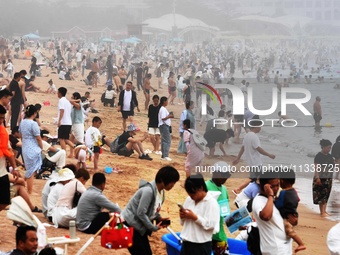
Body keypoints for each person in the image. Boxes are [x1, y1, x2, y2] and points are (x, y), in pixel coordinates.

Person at [122, 166, 180, 255]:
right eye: (171, 182)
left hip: (140, 227)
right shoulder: (148, 191)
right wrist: (153, 227)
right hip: (130, 226)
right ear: (162, 179)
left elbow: (153, 210)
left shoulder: (161, 192)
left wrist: (159, 218)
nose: (172, 185)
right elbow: (141, 213)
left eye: (174, 183)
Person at [252, 170, 294, 255]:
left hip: (283, 249)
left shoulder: (271, 200)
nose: (276, 189)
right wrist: (270, 195)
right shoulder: (259, 201)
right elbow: (266, 216)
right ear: (264, 186)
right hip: (275, 250)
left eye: (277, 185)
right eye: (272, 186)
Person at [179, 173, 220, 255]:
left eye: (193, 193)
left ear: (201, 188)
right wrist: (182, 216)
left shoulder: (211, 203)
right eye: (189, 193)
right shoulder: (189, 199)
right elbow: (182, 223)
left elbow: (211, 225)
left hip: (201, 245)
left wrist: (195, 218)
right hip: (187, 242)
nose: (191, 196)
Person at [232, 119, 275, 194]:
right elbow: (258, 148)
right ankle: (239, 189)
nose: (260, 128)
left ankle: (242, 189)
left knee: (254, 179)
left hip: (251, 162)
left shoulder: (247, 135)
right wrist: (269, 155)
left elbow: (243, 148)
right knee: (255, 179)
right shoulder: (254, 136)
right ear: (256, 126)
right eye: (260, 126)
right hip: (256, 162)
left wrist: (238, 158)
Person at [275, 169, 306, 253]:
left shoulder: (283, 192)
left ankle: (301, 244)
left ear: (282, 181)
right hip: (293, 214)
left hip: (287, 216)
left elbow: (278, 205)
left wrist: (274, 200)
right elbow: (298, 200)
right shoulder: (294, 191)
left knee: (289, 231)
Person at [205, 162, 231, 255]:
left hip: (220, 234)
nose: (225, 177)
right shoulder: (206, 186)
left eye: (227, 175)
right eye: (223, 174)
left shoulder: (224, 189)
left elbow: (226, 213)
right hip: (206, 232)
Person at [19, 105, 43, 194]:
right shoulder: (33, 124)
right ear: (34, 113)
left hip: (25, 147)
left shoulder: (23, 122)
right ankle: (29, 191)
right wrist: (41, 147)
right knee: (31, 171)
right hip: (33, 147)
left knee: (30, 169)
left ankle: (21, 182)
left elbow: (21, 135)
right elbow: (38, 137)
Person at [313, 139, 334, 217]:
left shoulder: (330, 156)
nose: (329, 149)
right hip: (321, 177)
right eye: (328, 147)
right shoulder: (318, 156)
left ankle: (324, 211)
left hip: (329, 178)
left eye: (330, 147)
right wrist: (317, 177)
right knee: (321, 194)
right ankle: (322, 212)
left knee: (326, 194)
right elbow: (316, 167)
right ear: (323, 147)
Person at [57, 87, 74, 153]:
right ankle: (76, 148)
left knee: (61, 138)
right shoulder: (67, 101)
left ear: (60, 93)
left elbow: (62, 111)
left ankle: (63, 152)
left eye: (58, 93)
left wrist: (59, 121)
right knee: (66, 139)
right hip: (68, 122)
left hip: (63, 122)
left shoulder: (61, 101)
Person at [158, 96, 174, 161]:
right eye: (167, 101)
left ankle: (163, 155)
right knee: (167, 141)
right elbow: (163, 118)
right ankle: (165, 155)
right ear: (164, 101)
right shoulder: (162, 109)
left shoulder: (163, 109)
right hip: (164, 125)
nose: (167, 102)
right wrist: (169, 116)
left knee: (164, 141)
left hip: (163, 125)